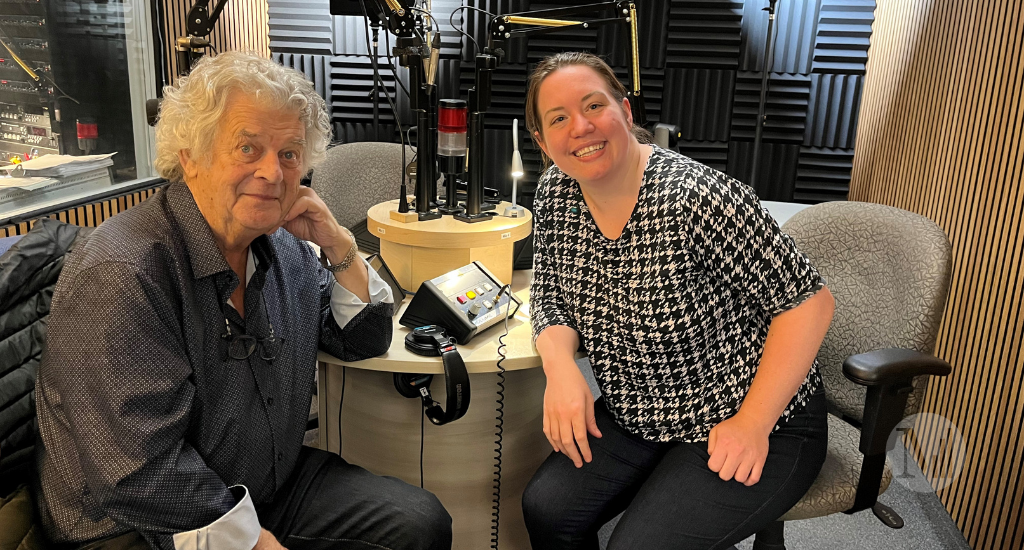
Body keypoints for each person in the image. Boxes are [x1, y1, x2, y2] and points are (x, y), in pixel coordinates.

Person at [34, 51, 452, 550]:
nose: (273, 173)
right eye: (248, 148)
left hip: (266, 482)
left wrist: (340, 245)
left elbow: (362, 339)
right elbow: (136, 470)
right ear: (190, 155)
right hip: (140, 524)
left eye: (290, 154)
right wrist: (250, 541)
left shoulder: (287, 247)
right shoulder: (121, 272)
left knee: (419, 523)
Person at [521, 52, 835, 550]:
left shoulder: (695, 197)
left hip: (756, 416)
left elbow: (809, 304)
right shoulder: (557, 192)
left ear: (625, 111)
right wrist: (558, 366)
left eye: (594, 106)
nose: (580, 127)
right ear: (541, 140)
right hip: (642, 413)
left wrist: (754, 422)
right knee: (547, 509)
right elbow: (551, 291)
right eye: (558, 118)